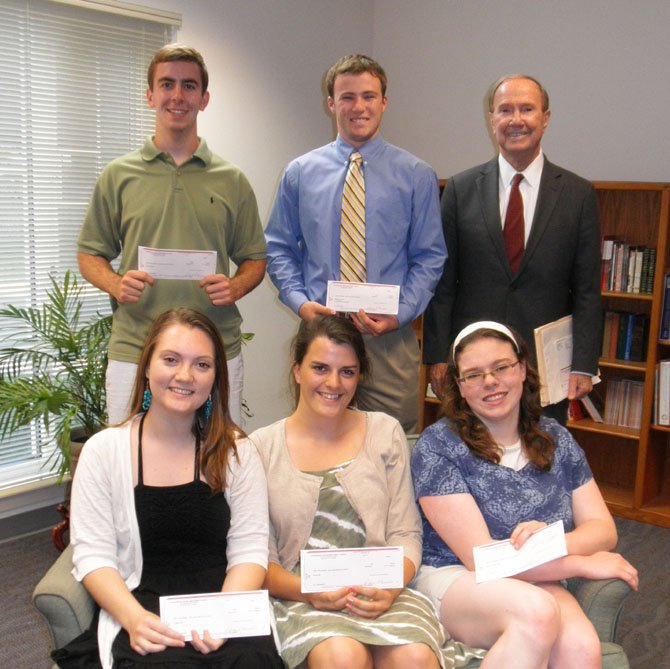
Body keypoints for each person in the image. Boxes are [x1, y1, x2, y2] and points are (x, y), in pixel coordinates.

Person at [249, 315, 485, 669]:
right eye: (320, 368)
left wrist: (390, 589)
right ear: (297, 370)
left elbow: (406, 533)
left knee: (415, 658)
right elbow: (257, 559)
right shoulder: (260, 447)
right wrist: (308, 593)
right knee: (343, 656)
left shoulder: (384, 431)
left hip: (383, 590)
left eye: (348, 371)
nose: (334, 382)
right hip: (302, 597)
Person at [55, 308, 282, 669]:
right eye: (171, 359)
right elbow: (93, 557)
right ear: (147, 367)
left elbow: (249, 551)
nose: (185, 375)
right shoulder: (104, 451)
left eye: (202, 365)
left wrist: (223, 616)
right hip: (142, 608)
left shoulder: (237, 451)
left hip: (224, 604)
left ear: (215, 377)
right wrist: (133, 620)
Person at [411, 321, 638, 668]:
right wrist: (578, 562)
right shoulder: (439, 445)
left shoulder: (556, 438)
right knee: (536, 612)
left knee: (582, 648)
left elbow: (603, 529)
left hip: (537, 575)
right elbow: (480, 558)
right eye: (474, 374)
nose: (490, 381)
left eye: (501, 367)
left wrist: (547, 541)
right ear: (459, 386)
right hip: (458, 577)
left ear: (522, 369)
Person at [77, 44, 266, 426]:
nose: (177, 96)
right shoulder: (118, 176)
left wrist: (236, 287)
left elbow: (255, 259)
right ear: (150, 95)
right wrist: (115, 283)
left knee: (219, 462)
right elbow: (89, 254)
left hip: (215, 350)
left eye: (189, 86)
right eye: (167, 84)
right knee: (129, 462)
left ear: (204, 98)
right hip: (136, 348)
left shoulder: (232, 180)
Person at [265, 53, 446, 433]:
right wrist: (301, 304)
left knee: (395, 444)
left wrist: (400, 313)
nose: (358, 107)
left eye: (369, 96)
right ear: (330, 103)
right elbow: (279, 247)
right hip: (321, 333)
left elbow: (429, 257)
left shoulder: (417, 175)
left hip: (389, 340)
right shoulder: (300, 173)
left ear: (384, 102)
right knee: (318, 438)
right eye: (347, 97)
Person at [423, 74, 602, 423]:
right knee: (471, 456)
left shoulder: (578, 195)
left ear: (545, 118)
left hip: (544, 368)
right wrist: (437, 355)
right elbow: (442, 284)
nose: (516, 120)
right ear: (492, 121)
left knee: (539, 460)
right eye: (505, 110)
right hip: (473, 365)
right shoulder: (460, 190)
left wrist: (584, 364)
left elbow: (587, 291)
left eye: (527, 109)